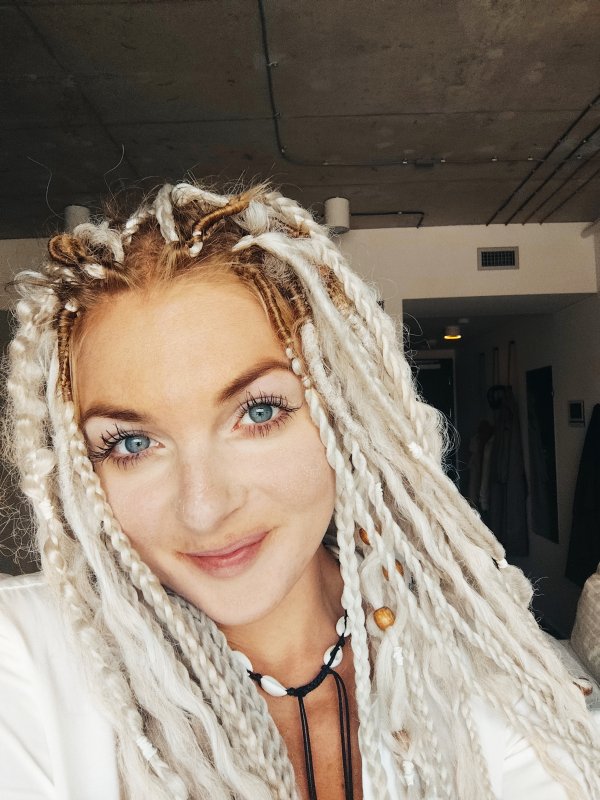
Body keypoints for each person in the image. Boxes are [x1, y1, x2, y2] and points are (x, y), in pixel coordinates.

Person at [0, 181, 598, 800]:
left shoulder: (496, 676)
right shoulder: (23, 661)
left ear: (343, 414)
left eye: (258, 412)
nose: (204, 508)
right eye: (131, 443)